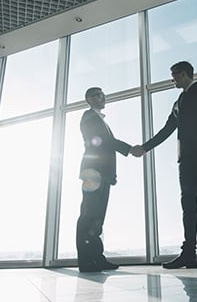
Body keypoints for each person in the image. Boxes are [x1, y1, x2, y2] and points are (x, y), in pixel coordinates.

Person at [131, 61, 197, 269]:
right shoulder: (178, 102)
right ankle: (188, 255)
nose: (172, 79)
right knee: (188, 207)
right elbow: (167, 130)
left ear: (184, 74)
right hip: (186, 161)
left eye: (174, 75)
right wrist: (145, 147)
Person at [76, 87, 132, 272]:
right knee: (88, 216)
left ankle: (96, 258)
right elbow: (102, 142)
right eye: (98, 95)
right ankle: (86, 261)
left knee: (96, 219)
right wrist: (129, 148)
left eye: (103, 94)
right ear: (89, 99)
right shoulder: (89, 117)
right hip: (93, 173)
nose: (102, 97)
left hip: (101, 174)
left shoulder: (98, 119)